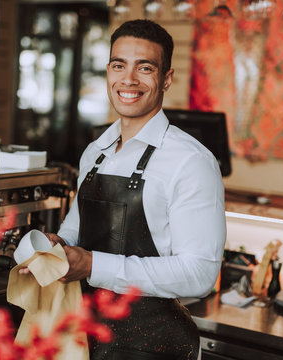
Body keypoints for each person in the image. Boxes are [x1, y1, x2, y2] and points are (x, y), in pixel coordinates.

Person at [23, 19, 226, 360]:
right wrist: (60, 246)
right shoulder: (95, 152)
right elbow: (76, 230)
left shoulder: (190, 161)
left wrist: (91, 266)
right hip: (84, 335)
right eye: (119, 65)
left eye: (144, 68)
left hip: (152, 347)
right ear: (108, 72)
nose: (128, 79)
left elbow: (199, 273)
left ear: (166, 79)